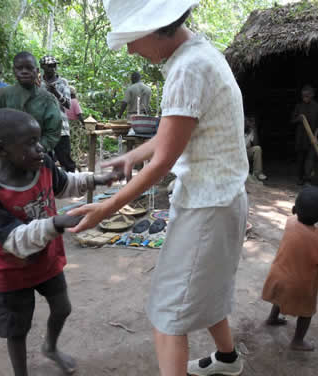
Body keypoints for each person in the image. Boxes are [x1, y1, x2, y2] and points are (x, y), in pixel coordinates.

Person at [68, 1, 249, 375]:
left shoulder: (187, 68)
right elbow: (178, 132)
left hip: (207, 206)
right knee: (207, 287)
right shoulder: (201, 54)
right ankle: (228, 359)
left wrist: (106, 208)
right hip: (221, 197)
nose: (132, 49)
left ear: (156, 28)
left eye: (133, 39)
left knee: (168, 312)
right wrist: (133, 154)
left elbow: (164, 159)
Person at [0, 108, 119, 376]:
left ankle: (50, 347)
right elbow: (13, 239)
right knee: (17, 330)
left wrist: (97, 179)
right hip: (10, 273)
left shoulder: (42, 165)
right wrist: (55, 223)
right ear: (2, 149)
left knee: (62, 308)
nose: (40, 148)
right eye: (30, 143)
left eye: (38, 139)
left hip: (45, 261)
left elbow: (64, 185)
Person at [262, 186, 318, 351]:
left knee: (279, 296)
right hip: (300, 285)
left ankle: (272, 318)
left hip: (278, 273)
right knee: (306, 312)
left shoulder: (290, 222)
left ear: (294, 209)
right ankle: (297, 341)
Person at [0, 52, 62, 154]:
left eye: (29, 68)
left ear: (36, 71)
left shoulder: (48, 99)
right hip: (7, 158)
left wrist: (37, 148)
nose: (24, 71)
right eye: (19, 68)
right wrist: (8, 149)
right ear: (14, 71)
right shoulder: (1, 96)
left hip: (37, 158)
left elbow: (53, 132)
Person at [40, 55, 76, 172]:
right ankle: (51, 187)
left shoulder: (62, 82)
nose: (53, 68)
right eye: (50, 66)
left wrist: (55, 92)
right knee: (46, 160)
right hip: (44, 128)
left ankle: (73, 185)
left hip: (61, 128)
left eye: (55, 65)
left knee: (65, 160)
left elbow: (68, 104)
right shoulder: (39, 83)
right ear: (42, 67)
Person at [291, 85, 318, 185]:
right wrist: (299, 119)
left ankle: (307, 179)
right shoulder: (299, 106)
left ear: (312, 95)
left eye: (307, 96)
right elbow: (292, 120)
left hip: (312, 138)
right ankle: (300, 178)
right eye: (303, 96)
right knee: (300, 158)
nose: (305, 98)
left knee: (310, 159)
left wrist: (315, 136)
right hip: (301, 137)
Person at [65, 86, 86, 168]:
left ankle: (67, 162)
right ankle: (74, 163)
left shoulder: (64, 101)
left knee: (68, 144)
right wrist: (84, 124)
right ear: (74, 93)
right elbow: (79, 114)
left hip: (66, 125)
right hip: (74, 126)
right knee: (75, 144)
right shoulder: (74, 101)